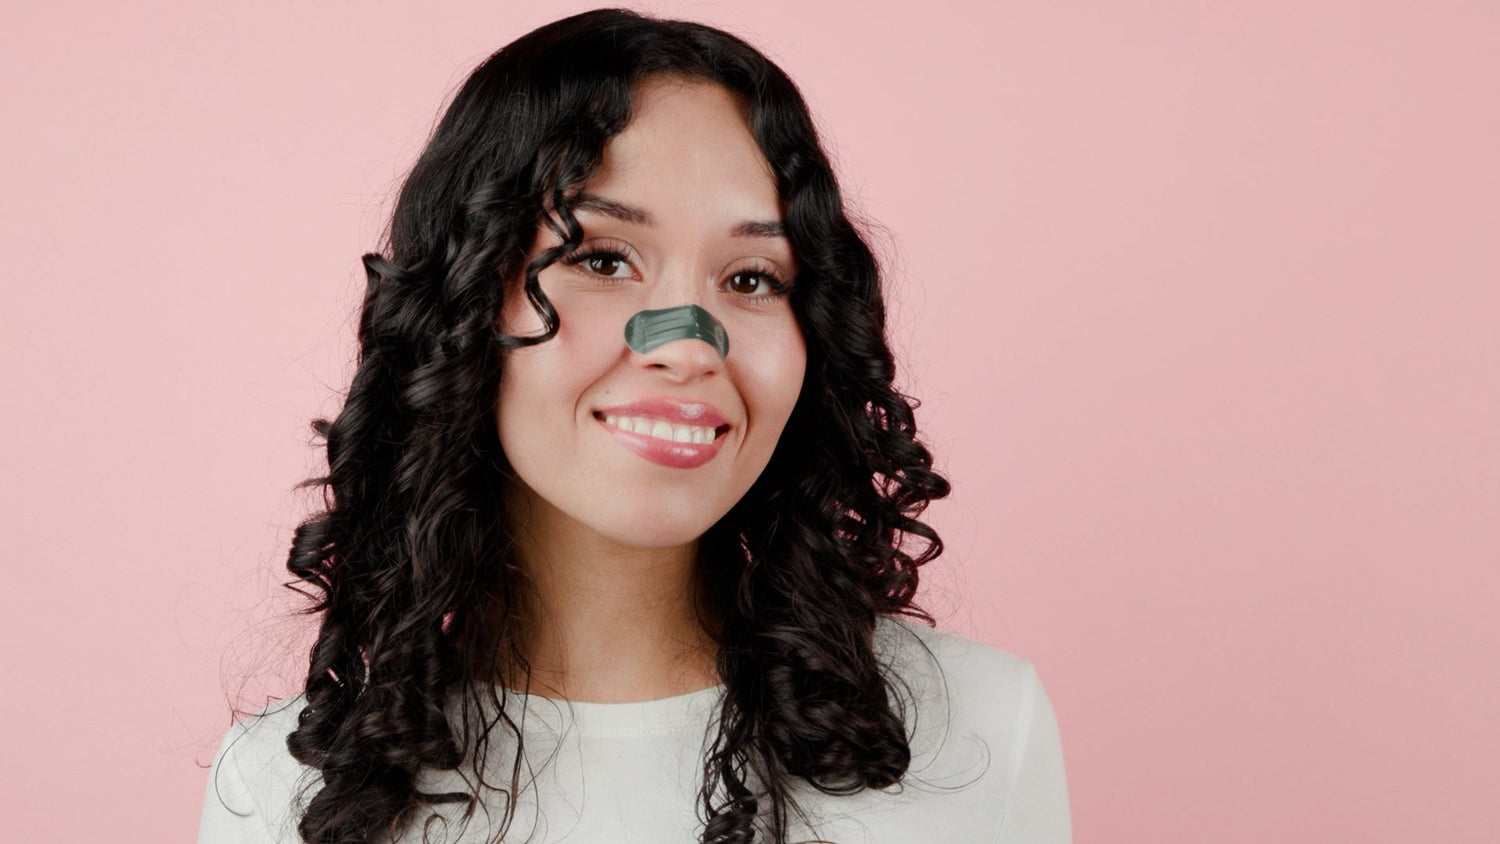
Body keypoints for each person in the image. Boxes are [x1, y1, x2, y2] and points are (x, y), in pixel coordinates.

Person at [199, 8, 1071, 844]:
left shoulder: (986, 731)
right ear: (459, 307)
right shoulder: (280, 790)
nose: (688, 346)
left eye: (753, 277)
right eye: (603, 259)